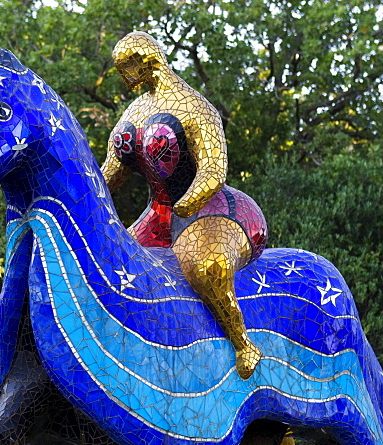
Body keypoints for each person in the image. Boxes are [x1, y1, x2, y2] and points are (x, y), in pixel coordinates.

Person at [100, 31, 268, 379]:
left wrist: (187, 205)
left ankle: (243, 343)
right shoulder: (135, 110)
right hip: (159, 212)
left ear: (144, 61)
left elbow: (214, 168)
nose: (123, 77)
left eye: (125, 68)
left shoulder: (195, 107)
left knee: (207, 268)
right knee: (114, 265)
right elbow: (110, 172)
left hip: (213, 210)